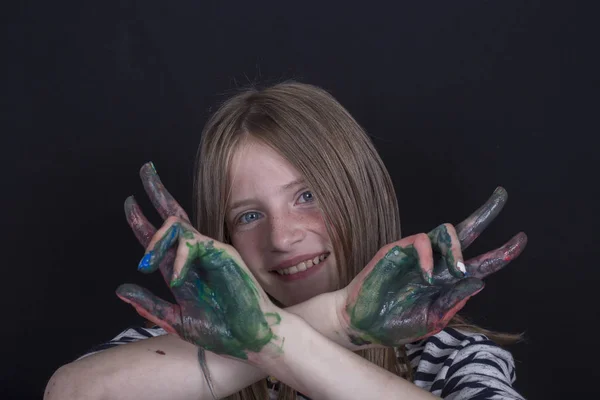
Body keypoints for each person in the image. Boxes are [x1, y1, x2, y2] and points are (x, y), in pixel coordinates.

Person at [45, 82, 528, 400]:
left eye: (307, 195)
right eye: (249, 215)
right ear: (224, 236)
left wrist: (280, 338)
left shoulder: (453, 357)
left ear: (360, 194)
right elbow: (69, 394)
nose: (282, 236)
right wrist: (332, 320)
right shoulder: (184, 345)